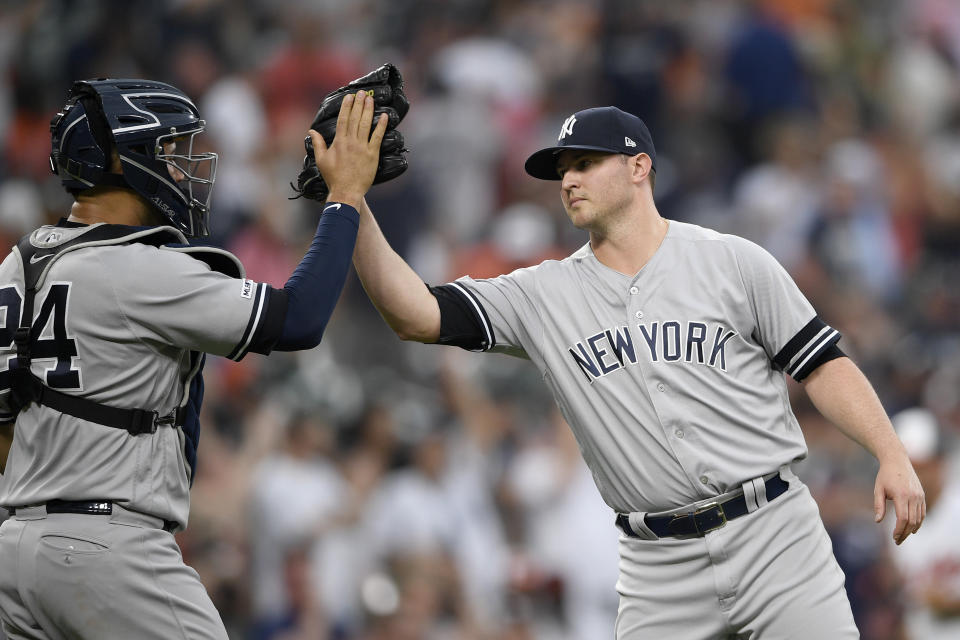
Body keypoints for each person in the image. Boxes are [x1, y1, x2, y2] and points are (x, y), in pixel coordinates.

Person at [348, 106, 926, 638]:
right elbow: (414, 314)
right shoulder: (542, 294)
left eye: (585, 163)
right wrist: (352, 201)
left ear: (638, 167)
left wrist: (890, 452)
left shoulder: (732, 260)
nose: (568, 180)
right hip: (658, 567)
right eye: (562, 170)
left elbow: (822, 364)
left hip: (773, 534)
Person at [0, 78, 387, 639]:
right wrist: (345, 197)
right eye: (169, 152)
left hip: (14, 553)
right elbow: (298, 319)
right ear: (120, 159)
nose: (183, 170)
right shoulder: (138, 269)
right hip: (108, 549)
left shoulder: (14, 268)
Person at [888, 407, 960, 639]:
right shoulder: (894, 520)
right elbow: (910, 604)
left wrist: (949, 603)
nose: (910, 477)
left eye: (919, 467)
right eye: (905, 468)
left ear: (939, 463)